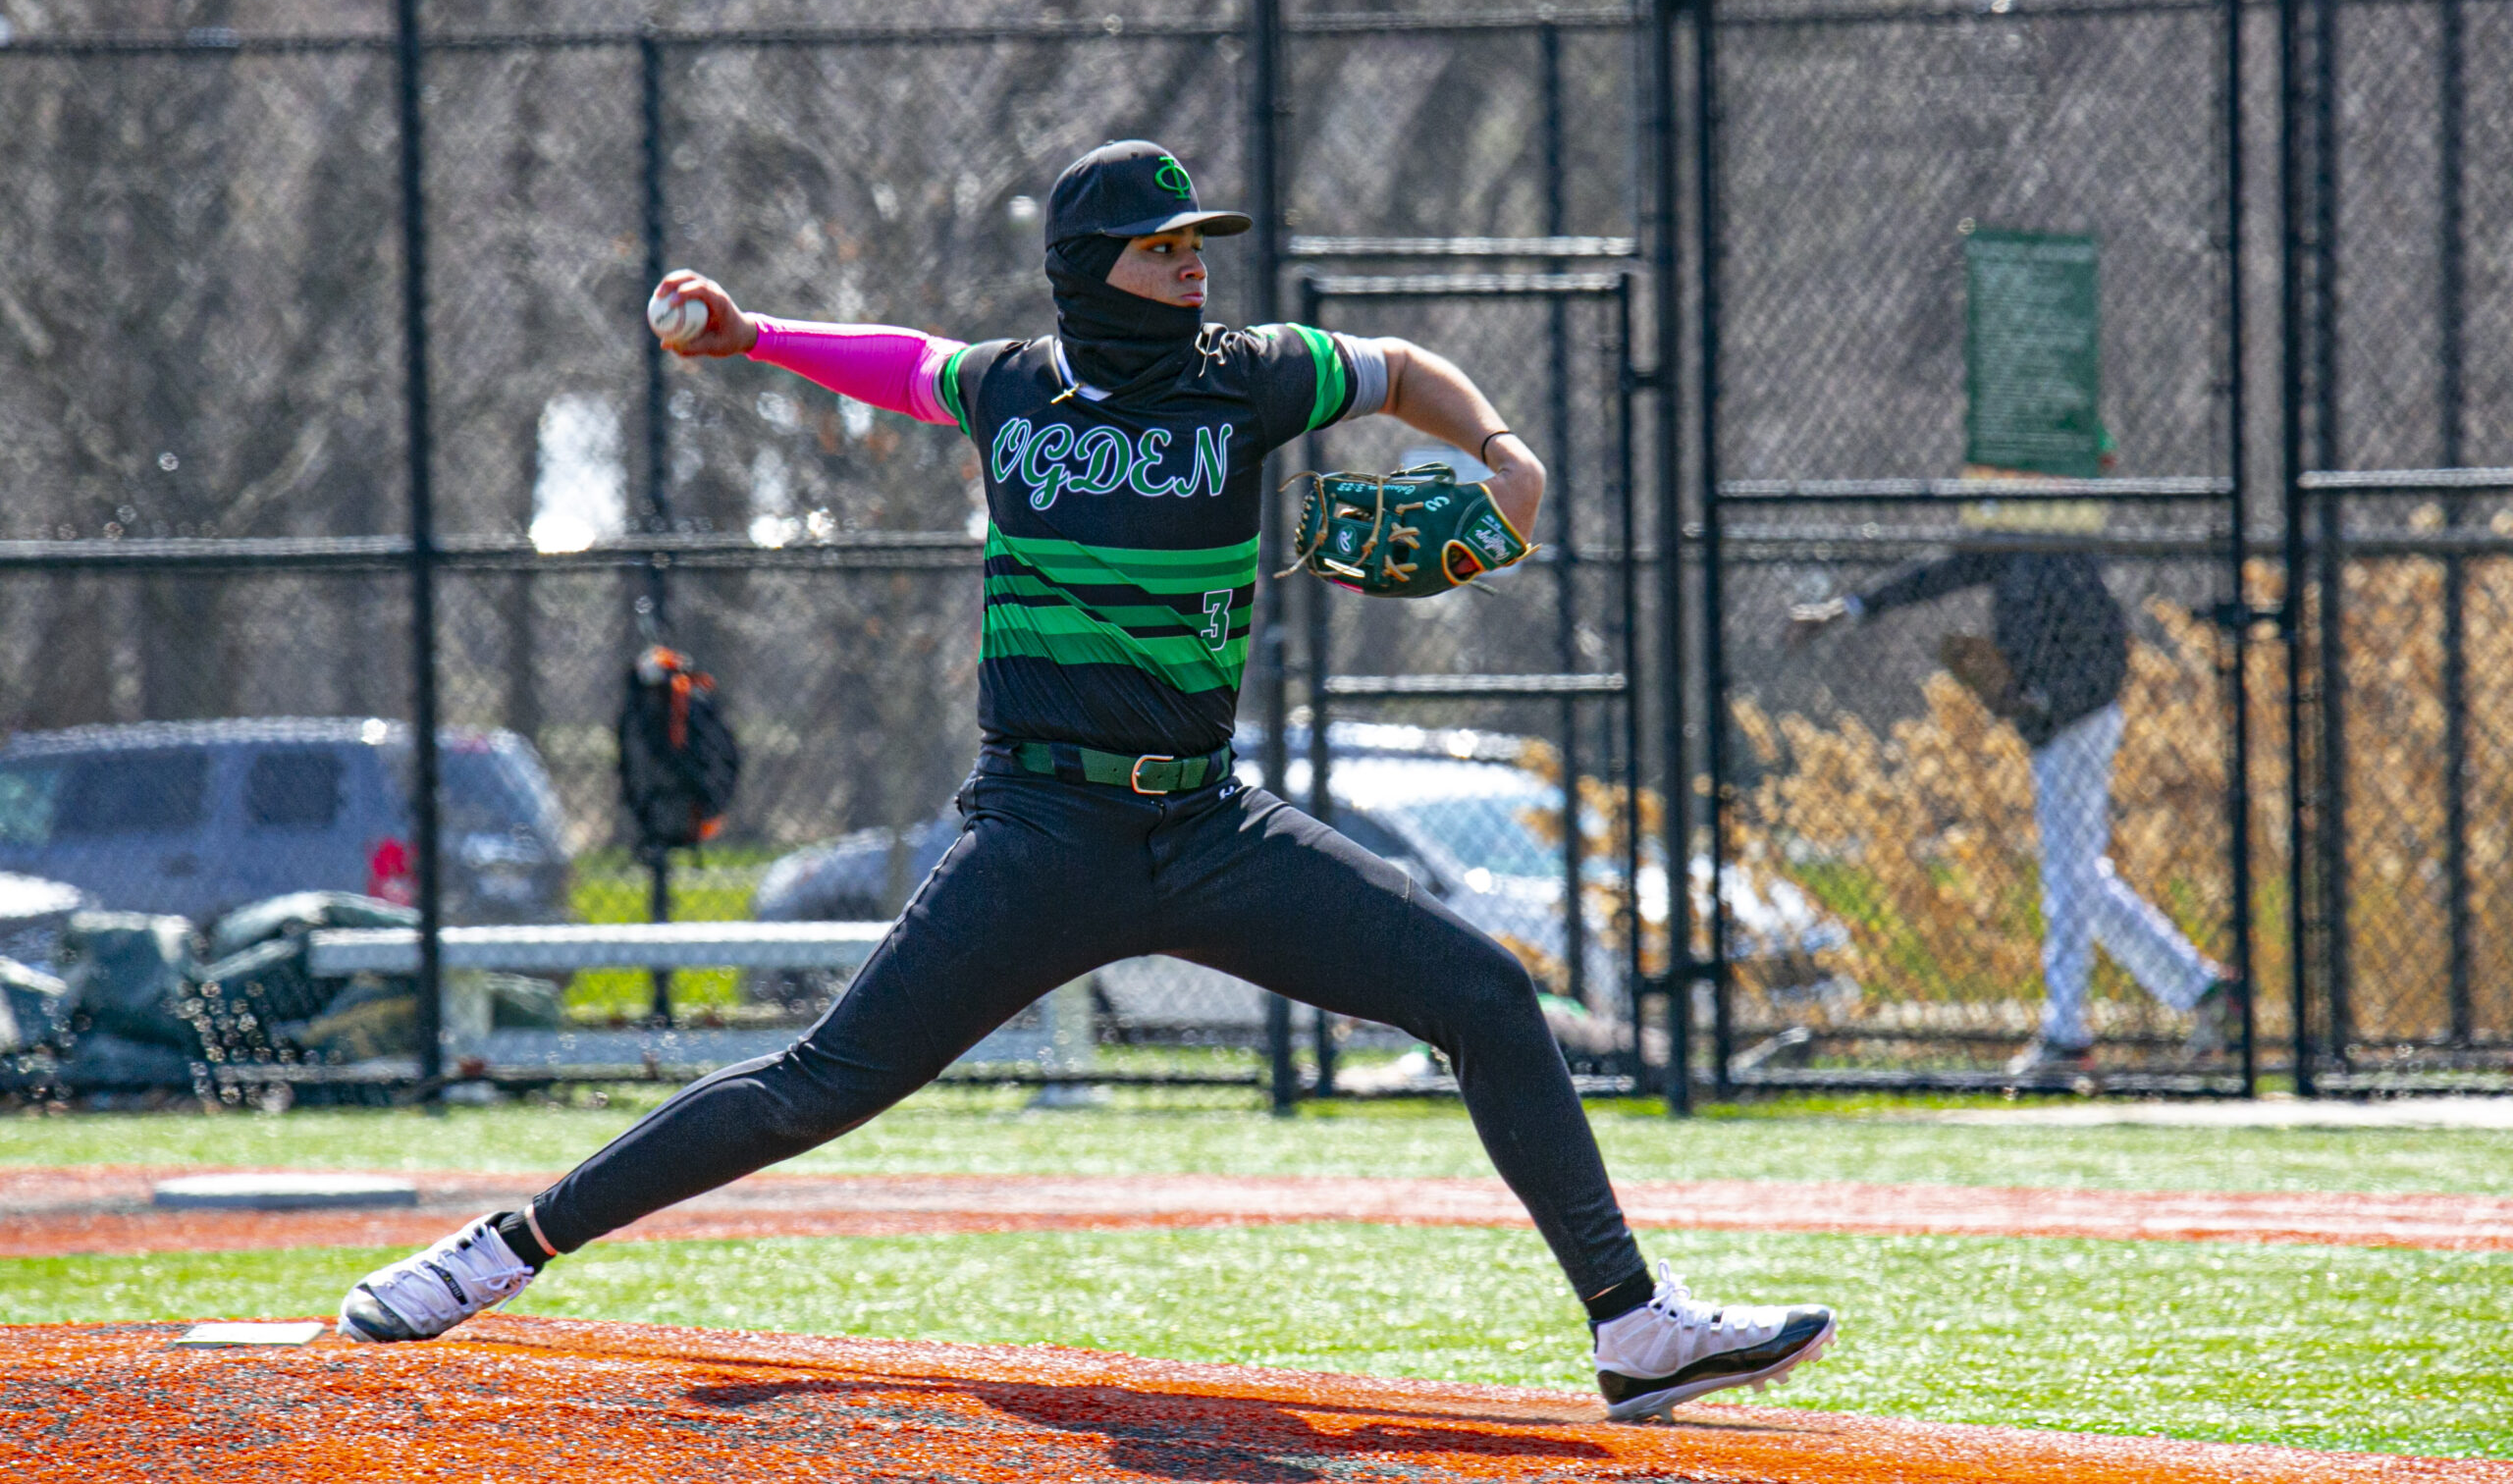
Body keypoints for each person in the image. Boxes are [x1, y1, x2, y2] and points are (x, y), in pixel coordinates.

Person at [332, 140, 1835, 1420]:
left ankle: (1633, 1329)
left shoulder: (1253, 378)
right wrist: (749, 334)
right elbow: (897, 358)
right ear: (1089, 264)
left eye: (1197, 242)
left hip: (1205, 821)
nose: (1193, 264)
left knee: (1486, 995)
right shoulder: (1013, 393)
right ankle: (505, 1244)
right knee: (819, 1086)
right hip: (1041, 831)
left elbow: (1407, 370)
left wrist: (1502, 450)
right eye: (1162, 244)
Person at [1786, 493, 2236, 1081]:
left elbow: (2106, 667)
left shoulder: (2063, 560)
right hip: (2053, 730)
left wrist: (2047, 700)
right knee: (2080, 880)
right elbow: (1937, 574)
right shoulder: (2011, 550)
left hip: (2079, 726)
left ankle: (2067, 1036)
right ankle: (2202, 991)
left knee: (2066, 882)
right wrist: (1850, 607)